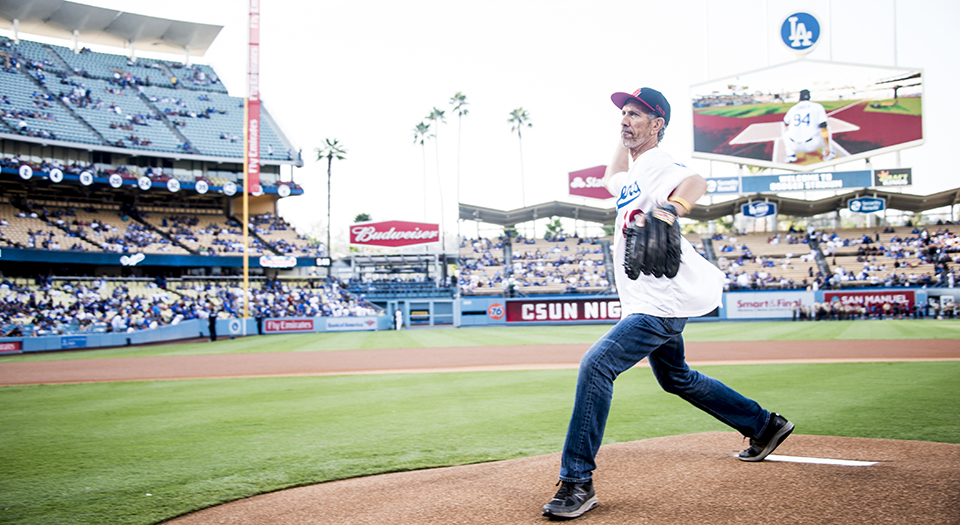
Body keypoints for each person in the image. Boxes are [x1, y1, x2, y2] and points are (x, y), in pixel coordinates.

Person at [542, 87, 794, 520]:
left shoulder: (659, 164)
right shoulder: (634, 174)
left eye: (636, 114)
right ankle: (763, 425)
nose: (625, 119)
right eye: (622, 113)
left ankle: (576, 481)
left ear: (658, 124)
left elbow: (696, 180)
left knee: (596, 365)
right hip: (651, 299)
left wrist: (673, 208)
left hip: (658, 303)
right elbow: (611, 173)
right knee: (675, 377)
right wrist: (624, 132)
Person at [782, 89, 835, 163]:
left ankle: (791, 155)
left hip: (794, 146)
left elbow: (785, 122)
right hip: (812, 145)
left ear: (799, 98)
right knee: (826, 129)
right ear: (809, 97)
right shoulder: (818, 107)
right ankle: (828, 153)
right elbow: (823, 126)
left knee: (786, 134)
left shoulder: (793, 109)